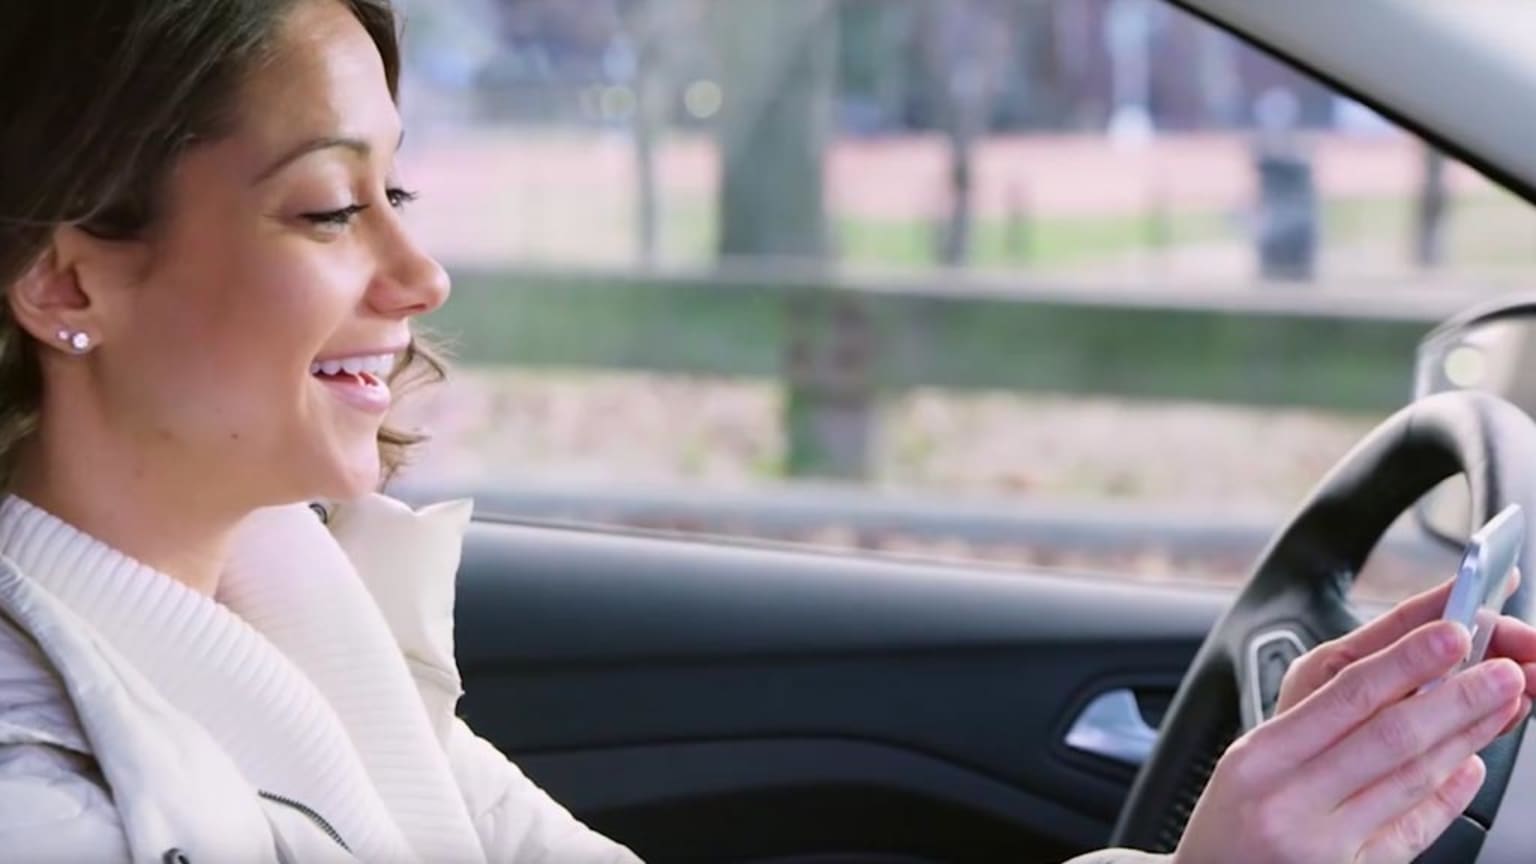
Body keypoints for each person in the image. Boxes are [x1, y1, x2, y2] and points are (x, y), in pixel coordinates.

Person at [0, 2, 1533, 863]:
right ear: (67, 277)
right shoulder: (50, 797)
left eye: (400, 192)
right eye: (331, 208)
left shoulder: (286, 596)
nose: (421, 273)